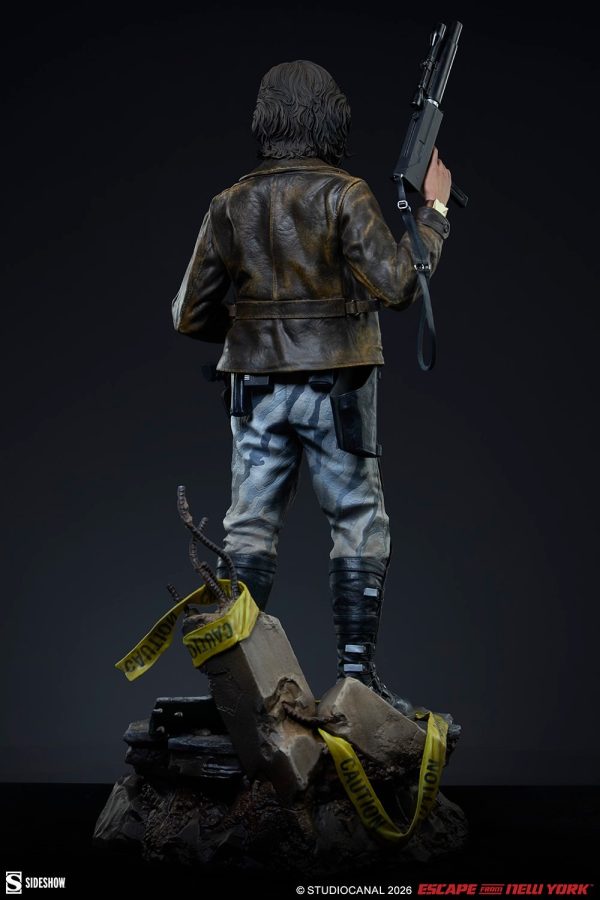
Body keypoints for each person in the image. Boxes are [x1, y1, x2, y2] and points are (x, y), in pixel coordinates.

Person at [172, 60, 454, 723]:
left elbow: (188, 313)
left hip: (256, 391)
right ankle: (358, 683)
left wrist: (252, 332)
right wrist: (435, 212)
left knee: (249, 527)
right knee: (357, 522)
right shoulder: (344, 194)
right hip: (339, 389)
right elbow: (399, 286)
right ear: (331, 119)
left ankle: (234, 688)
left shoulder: (229, 203)